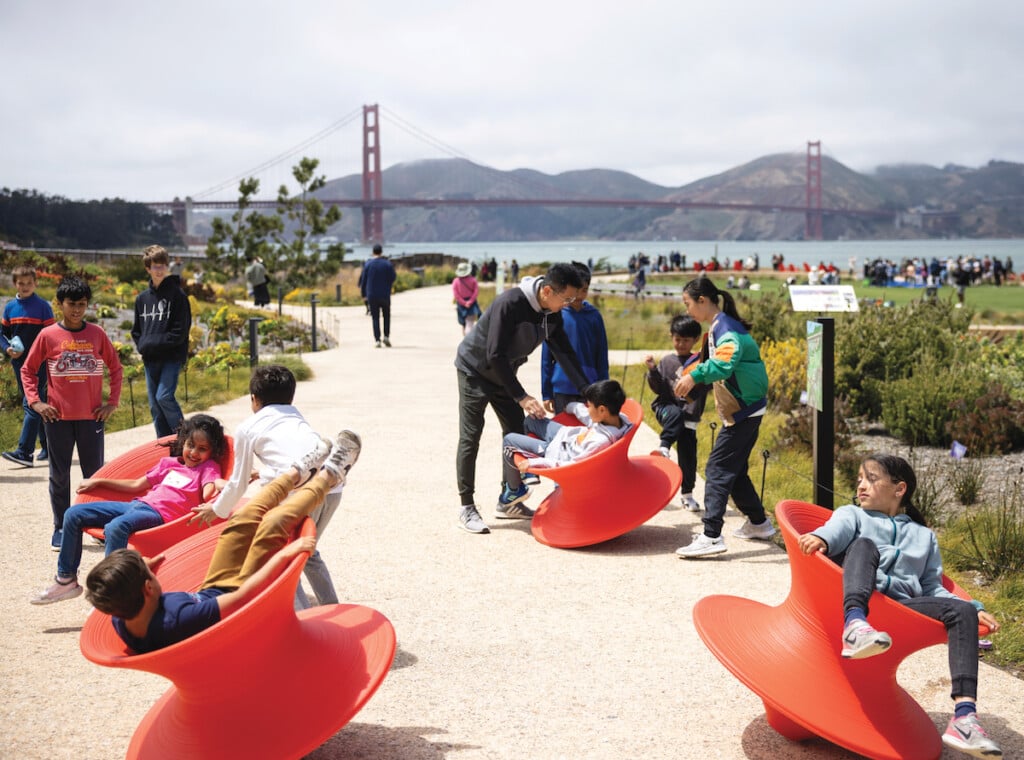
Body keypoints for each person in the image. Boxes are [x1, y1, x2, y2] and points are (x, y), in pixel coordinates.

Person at [798, 454, 1003, 758]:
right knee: (863, 544)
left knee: (960, 611)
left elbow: (933, 586)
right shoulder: (853, 514)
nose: (861, 486)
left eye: (871, 478)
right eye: (858, 480)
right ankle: (854, 626)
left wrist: (971, 606)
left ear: (899, 488)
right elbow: (835, 533)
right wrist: (820, 538)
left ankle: (964, 717)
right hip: (861, 596)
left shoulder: (924, 536)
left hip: (905, 607)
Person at [84, 431, 360, 654]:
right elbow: (242, 596)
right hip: (238, 600)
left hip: (213, 587)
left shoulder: (123, 615)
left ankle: (297, 471)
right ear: (146, 588)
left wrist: (143, 566)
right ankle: (331, 473)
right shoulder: (179, 619)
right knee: (274, 525)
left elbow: (128, 585)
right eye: (148, 576)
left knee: (242, 519)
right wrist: (283, 556)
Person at [190, 365, 360, 611]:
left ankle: (303, 618)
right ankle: (332, 608)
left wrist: (216, 509)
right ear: (290, 397)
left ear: (254, 399)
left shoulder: (248, 427)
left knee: (285, 560)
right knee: (308, 552)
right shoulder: (296, 417)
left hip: (298, 495)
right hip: (332, 490)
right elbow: (287, 452)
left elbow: (237, 484)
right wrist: (264, 472)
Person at [29, 414, 227, 605]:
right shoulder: (169, 464)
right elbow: (135, 486)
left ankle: (111, 591)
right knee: (73, 514)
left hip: (159, 515)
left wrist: (222, 485)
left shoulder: (208, 468)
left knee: (116, 527)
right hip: (136, 505)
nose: (194, 452)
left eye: (202, 449)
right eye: (191, 445)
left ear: (212, 452)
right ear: (183, 442)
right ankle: (66, 580)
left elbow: (209, 491)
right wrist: (98, 482)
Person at [454, 262, 590, 534]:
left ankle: (509, 498)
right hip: (475, 371)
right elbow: (494, 354)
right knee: (471, 436)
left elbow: (565, 354)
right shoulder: (511, 303)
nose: (569, 304)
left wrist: (590, 394)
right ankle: (467, 506)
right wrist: (521, 396)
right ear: (547, 291)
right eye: (566, 298)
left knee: (516, 431)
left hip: (504, 374)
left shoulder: (552, 313)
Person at [672, 277, 774, 558]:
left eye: (688, 304)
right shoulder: (722, 325)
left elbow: (725, 364)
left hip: (744, 411)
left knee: (717, 470)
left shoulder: (726, 328)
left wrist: (694, 375)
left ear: (703, 301)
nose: (688, 311)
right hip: (746, 409)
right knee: (735, 471)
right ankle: (759, 524)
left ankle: (712, 535)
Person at [21, 275, 123, 550]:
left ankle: (97, 527)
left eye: (82, 304)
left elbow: (116, 368)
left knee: (94, 476)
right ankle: (61, 527)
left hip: (92, 419)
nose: (76, 309)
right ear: (60, 304)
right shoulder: (48, 335)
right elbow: (27, 370)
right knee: (59, 475)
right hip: (57, 420)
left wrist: (111, 402)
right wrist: (35, 402)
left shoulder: (97, 334)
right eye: (71, 304)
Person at [497, 379, 631, 516]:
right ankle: (531, 475)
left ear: (602, 410)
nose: (587, 409)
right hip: (564, 435)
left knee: (509, 441)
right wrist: (571, 406)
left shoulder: (599, 442)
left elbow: (571, 465)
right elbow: (588, 418)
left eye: (589, 406)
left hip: (557, 452)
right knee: (530, 420)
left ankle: (514, 490)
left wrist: (535, 463)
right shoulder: (618, 419)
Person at [645, 315, 708, 511]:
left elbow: (708, 386)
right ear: (671, 336)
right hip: (667, 409)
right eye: (677, 339)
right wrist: (653, 371)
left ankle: (687, 494)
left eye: (686, 340)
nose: (681, 344)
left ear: (696, 340)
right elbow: (659, 389)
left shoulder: (702, 363)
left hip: (690, 416)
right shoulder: (667, 361)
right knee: (675, 414)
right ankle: (664, 446)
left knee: (688, 457)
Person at [132, 244, 191, 438]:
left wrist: (154, 343)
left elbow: (181, 331)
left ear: (167, 267)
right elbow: (136, 330)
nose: (159, 270)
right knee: (155, 407)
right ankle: (164, 445)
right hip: (150, 359)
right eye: (155, 266)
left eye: (162, 265)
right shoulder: (142, 299)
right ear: (147, 268)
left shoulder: (178, 295)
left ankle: (184, 438)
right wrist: (143, 346)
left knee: (164, 397)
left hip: (171, 358)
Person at [1, 265, 56, 467]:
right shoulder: (9, 308)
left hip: (38, 363)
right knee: (36, 400)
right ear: (14, 283)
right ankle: (49, 447)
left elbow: (52, 335)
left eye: (29, 283)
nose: (25, 286)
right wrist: (7, 349)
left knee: (30, 403)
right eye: (20, 283)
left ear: (36, 283)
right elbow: (2, 334)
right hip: (18, 363)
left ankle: (24, 452)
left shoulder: (42, 306)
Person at [541, 261, 609, 414]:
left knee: (587, 433)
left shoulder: (595, 316)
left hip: (590, 387)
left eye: (584, 290)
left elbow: (602, 356)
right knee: (562, 432)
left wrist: (604, 389)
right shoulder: (555, 314)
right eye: (576, 291)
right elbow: (546, 358)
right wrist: (546, 392)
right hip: (561, 386)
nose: (579, 296)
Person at [358, 243, 396, 348]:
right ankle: (386, 336)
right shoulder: (387, 264)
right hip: (384, 294)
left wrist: (363, 295)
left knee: (375, 317)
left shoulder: (368, 264)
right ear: (381, 252)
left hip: (372, 294)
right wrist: (388, 285)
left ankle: (377, 340)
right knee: (386, 316)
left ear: (373, 252)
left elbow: (363, 281)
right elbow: (393, 277)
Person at [452, 261, 482, 336]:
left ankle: (465, 340)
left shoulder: (455, 281)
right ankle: (469, 340)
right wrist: (470, 301)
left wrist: (464, 303)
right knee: (470, 323)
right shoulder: (473, 280)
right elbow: (476, 292)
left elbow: (456, 294)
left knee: (463, 323)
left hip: (461, 304)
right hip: (471, 303)